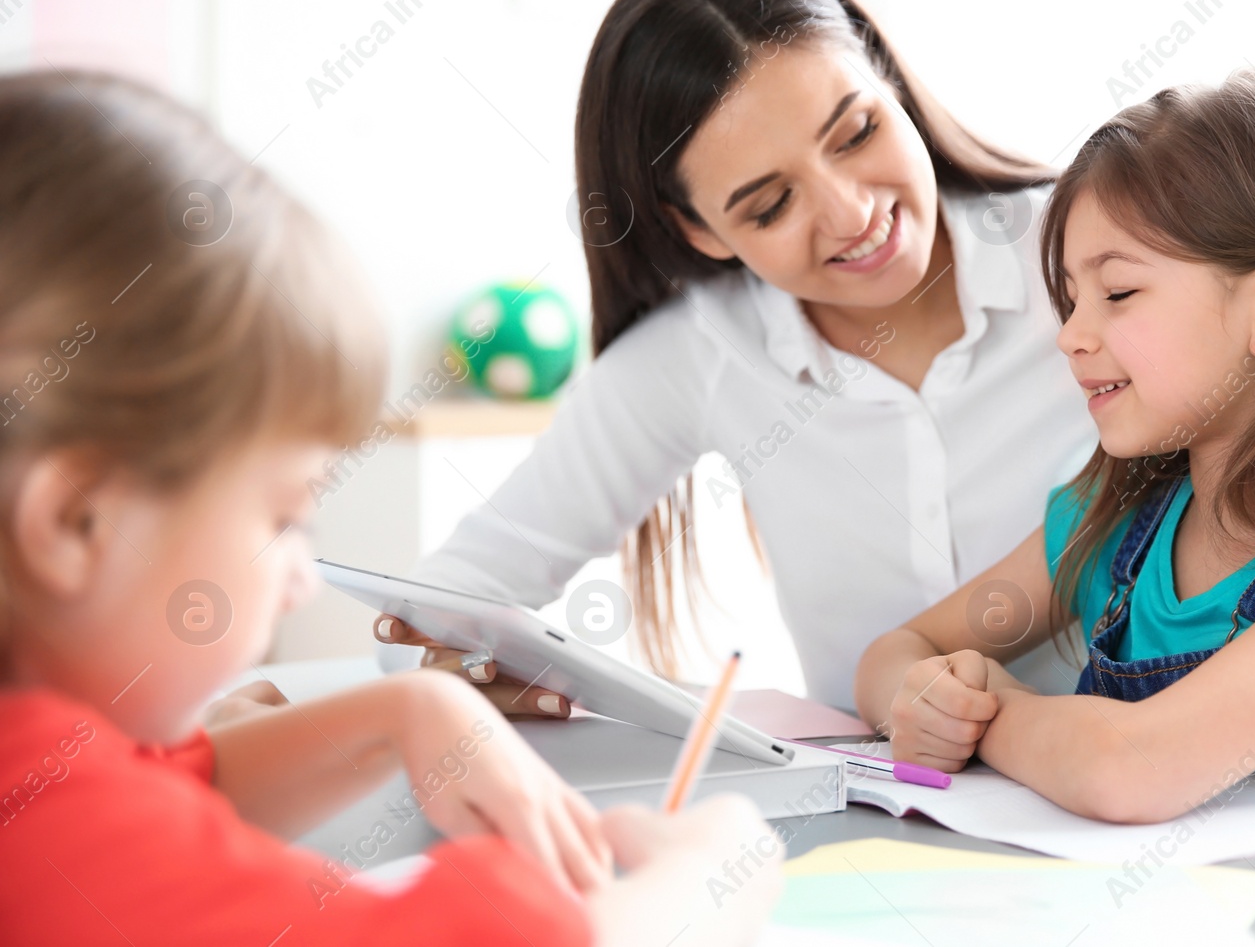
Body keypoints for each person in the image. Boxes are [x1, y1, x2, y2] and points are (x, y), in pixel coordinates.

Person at [374, 0, 1255, 815]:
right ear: (696, 229)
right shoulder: (702, 359)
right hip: (940, 829)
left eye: (856, 130)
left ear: (890, 80)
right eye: (765, 204)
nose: (851, 212)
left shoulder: (1107, 242)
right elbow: (455, 598)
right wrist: (452, 672)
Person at [0, 71, 781, 946]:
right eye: (283, 515)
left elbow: (180, 790)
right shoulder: (63, 833)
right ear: (75, 521)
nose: (299, 581)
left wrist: (409, 712)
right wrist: (707, 886)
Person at [856, 72, 1255, 820]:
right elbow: (893, 653)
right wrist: (922, 702)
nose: (1070, 335)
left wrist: (989, 708)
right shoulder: (1113, 519)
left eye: (1117, 292)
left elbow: (1129, 771)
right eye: (1070, 297)